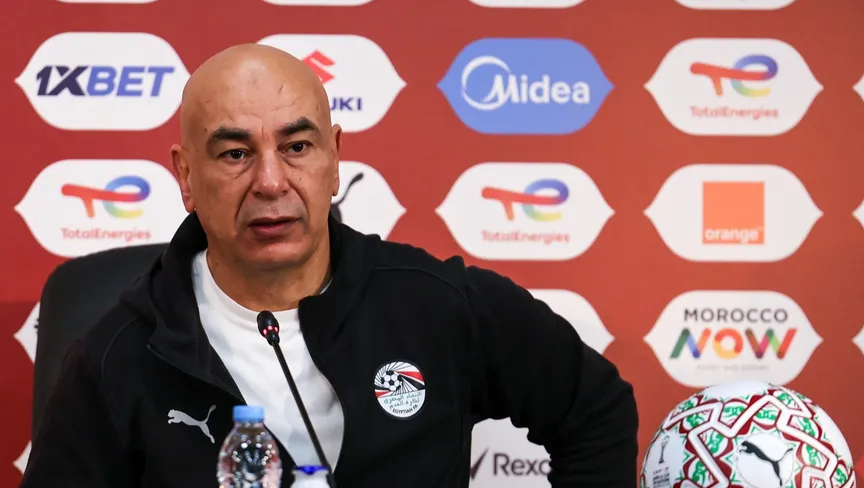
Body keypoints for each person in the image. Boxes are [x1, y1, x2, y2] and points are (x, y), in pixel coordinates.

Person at [20, 44, 638, 487]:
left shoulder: (436, 304)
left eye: (296, 147)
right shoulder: (118, 358)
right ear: (186, 175)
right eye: (235, 154)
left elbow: (597, 410)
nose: (271, 182)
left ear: (334, 160)